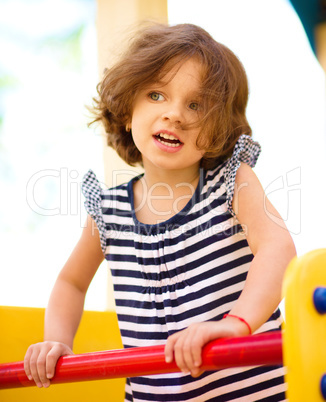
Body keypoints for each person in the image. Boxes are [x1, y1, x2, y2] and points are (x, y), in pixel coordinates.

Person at [24, 23, 296, 401]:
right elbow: (71, 283)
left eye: (196, 104)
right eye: (156, 95)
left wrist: (236, 325)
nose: (175, 114)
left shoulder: (232, 182)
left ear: (218, 127)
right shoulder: (110, 211)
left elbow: (278, 249)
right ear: (126, 112)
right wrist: (56, 341)